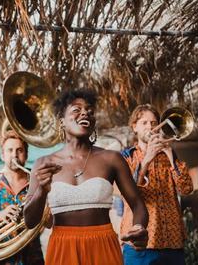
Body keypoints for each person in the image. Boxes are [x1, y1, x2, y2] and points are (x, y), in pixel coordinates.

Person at [24, 89, 148, 265]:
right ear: (62, 122)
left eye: (90, 111)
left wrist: (139, 226)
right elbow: (30, 221)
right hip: (62, 247)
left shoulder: (111, 159)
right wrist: (41, 191)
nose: (85, 113)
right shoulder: (43, 163)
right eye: (76, 109)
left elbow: (138, 205)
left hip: (103, 245)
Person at [120, 104, 193, 265]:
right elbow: (128, 193)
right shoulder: (126, 157)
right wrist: (146, 160)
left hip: (172, 241)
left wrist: (170, 155)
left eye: (154, 123)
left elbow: (186, 189)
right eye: (144, 123)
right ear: (135, 127)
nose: (150, 127)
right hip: (140, 243)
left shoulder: (170, 155)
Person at [0, 130, 44, 265]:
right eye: (9, 150)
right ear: (3, 155)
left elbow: (48, 221)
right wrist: (1, 215)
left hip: (31, 258)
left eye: (19, 150)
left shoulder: (37, 183)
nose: (14, 155)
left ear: (26, 155)